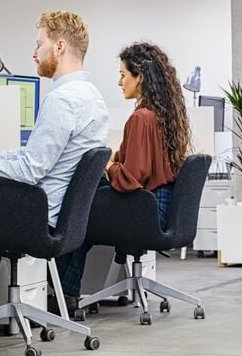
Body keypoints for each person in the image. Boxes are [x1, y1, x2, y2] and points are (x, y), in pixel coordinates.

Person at [0, 11, 110, 317]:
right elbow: (33, 156)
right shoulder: (93, 98)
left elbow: (31, 170)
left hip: (37, 215)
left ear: (59, 46)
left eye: (39, 43)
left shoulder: (62, 100)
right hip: (60, 216)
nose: (34, 53)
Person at [54, 42, 193, 309]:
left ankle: (65, 294)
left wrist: (108, 167)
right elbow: (142, 160)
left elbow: (131, 179)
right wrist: (116, 157)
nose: (119, 82)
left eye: (123, 75)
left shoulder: (140, 119)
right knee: (87, 206)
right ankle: (69, 292)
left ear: (139, 77)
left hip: (145, 215)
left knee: (76, 212)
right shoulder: (161, 115)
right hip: (160, 209)